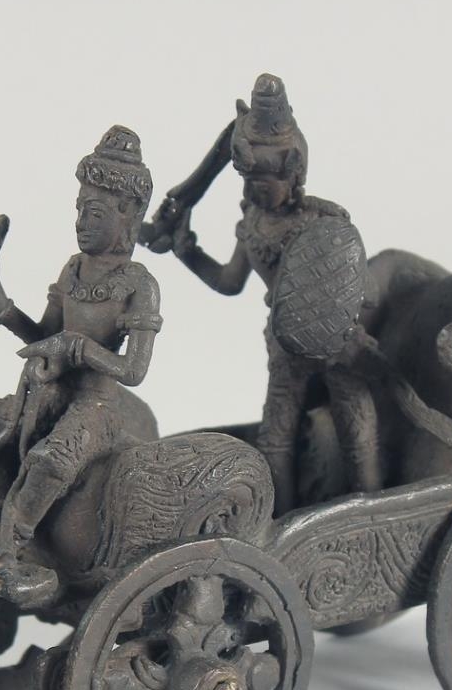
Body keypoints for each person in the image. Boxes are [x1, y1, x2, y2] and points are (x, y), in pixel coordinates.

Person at [143, 74, 381, 514]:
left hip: (337, 346)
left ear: (294, 175)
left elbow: (354, 287)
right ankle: (284, 524)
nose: (254, 190)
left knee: (358, 429)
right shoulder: (252, 224)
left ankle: (369, 514)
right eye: (248, 181)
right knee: (275, 441)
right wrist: (185, 250)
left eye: (264, 182)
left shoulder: (322, 225)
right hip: (286, 349)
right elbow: (229, 281)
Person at [0, 125, 162, 576]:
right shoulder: (72, 270)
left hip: (97, 405)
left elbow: (133, 370)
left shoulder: (139, 285)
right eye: (79, 210)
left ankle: (16, 540)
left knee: (52, 459)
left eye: (95, 213)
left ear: (127, 215)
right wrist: (1, 306)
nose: (81, 223)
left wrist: (78, 348)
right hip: (51, 391)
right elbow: (42, 336)